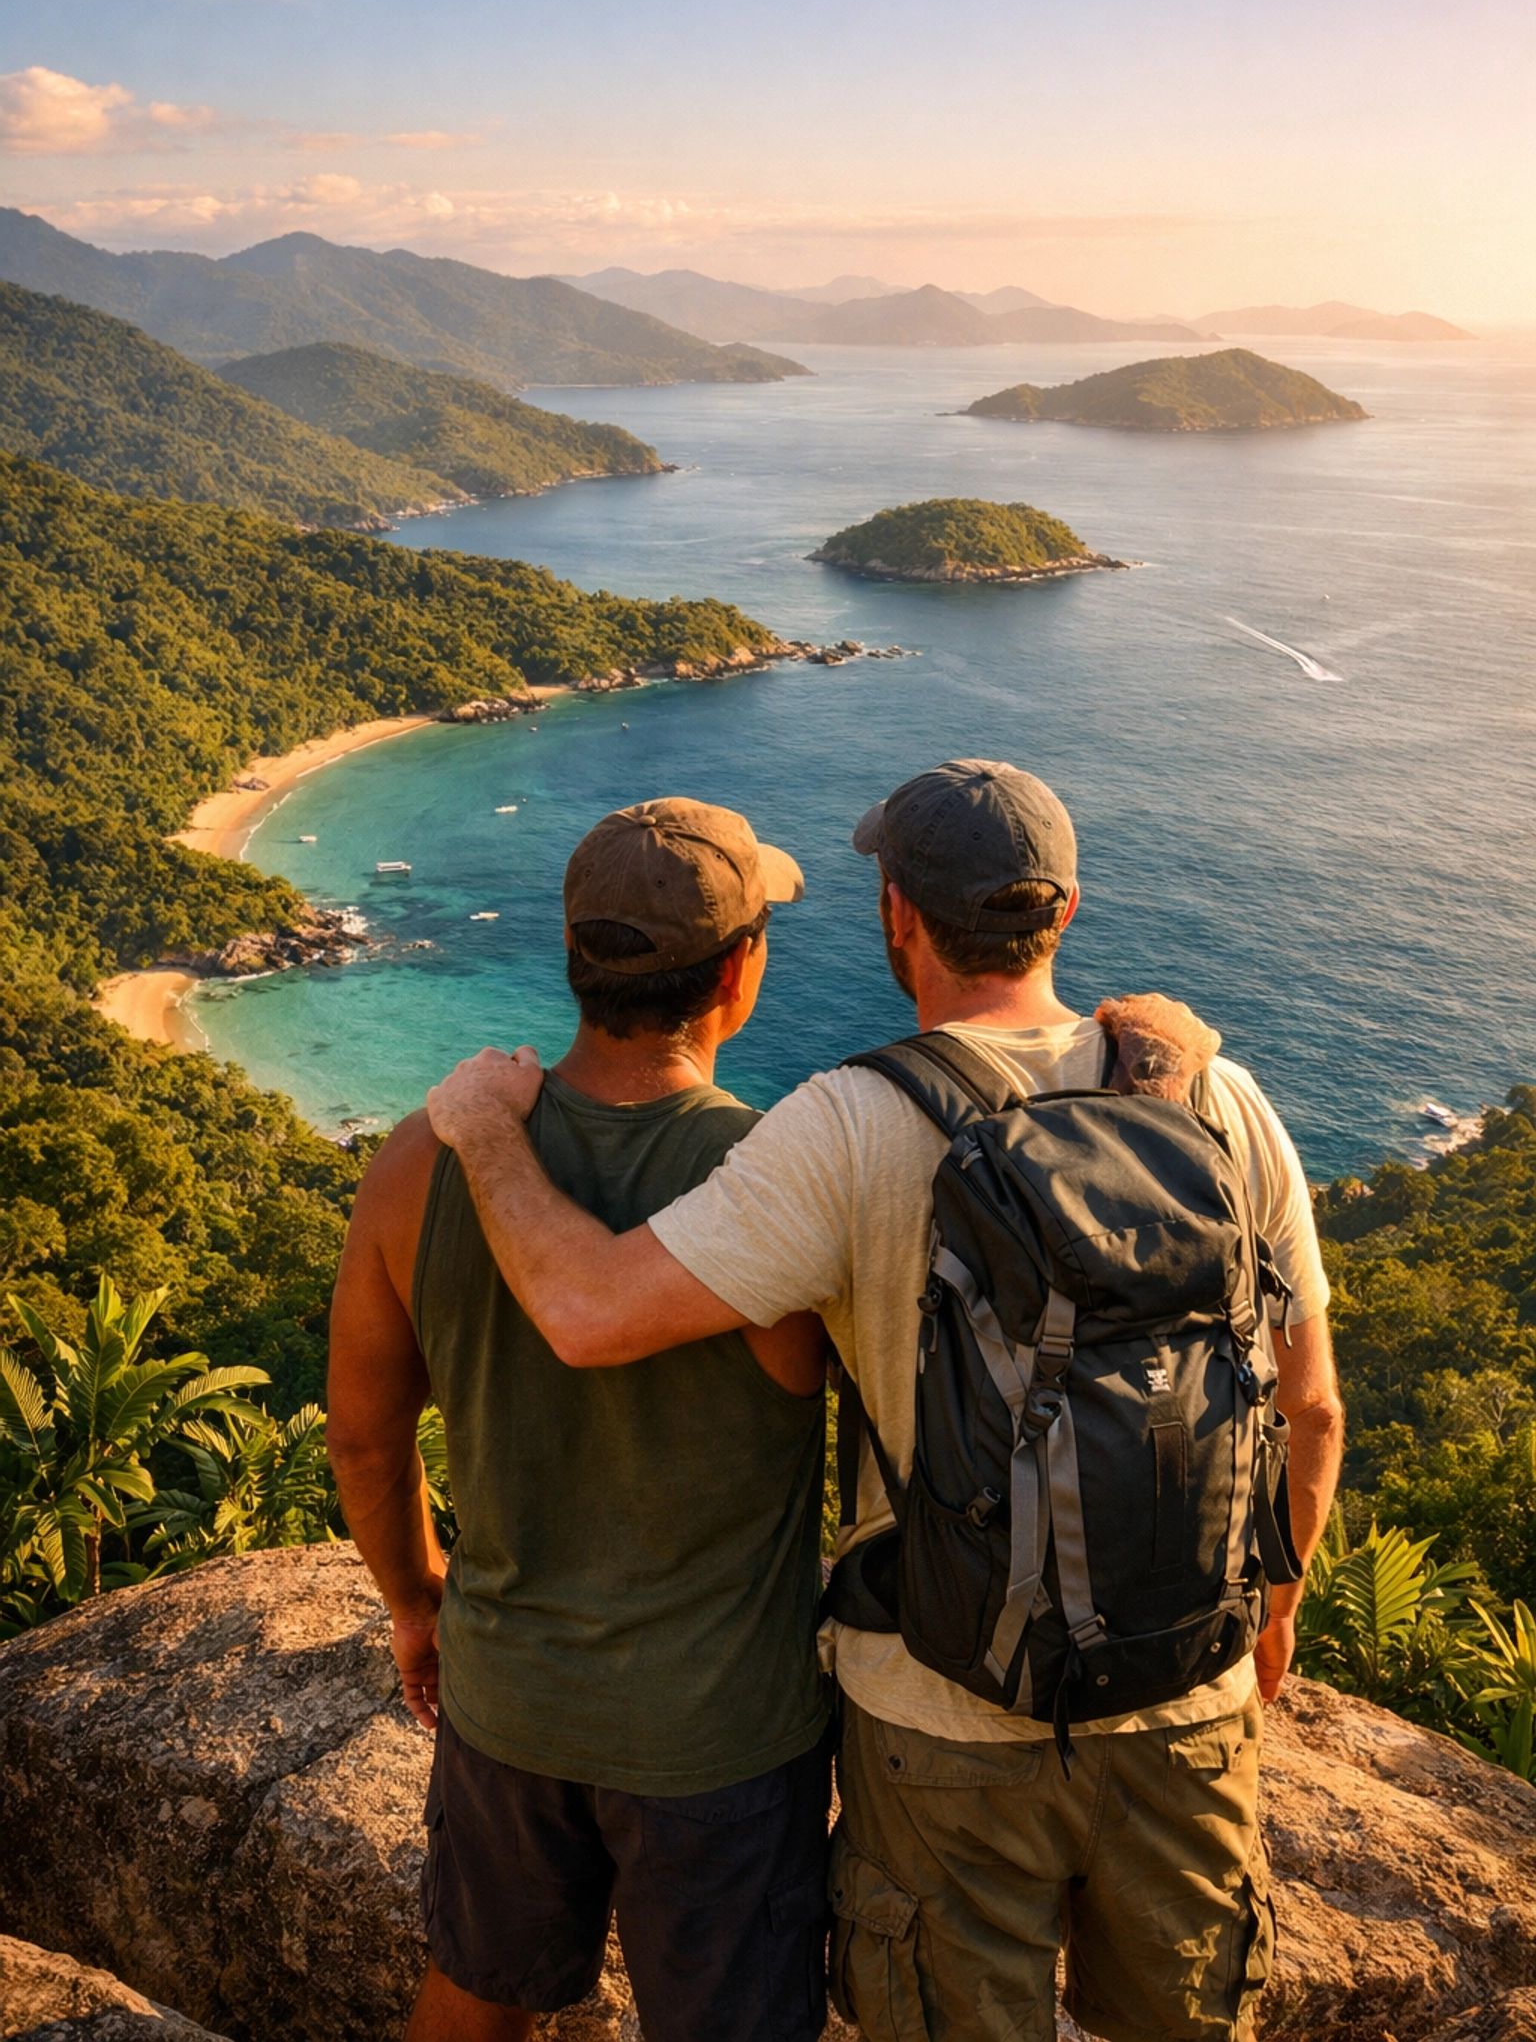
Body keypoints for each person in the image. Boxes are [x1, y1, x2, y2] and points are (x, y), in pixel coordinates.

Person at [426, 759, 1345, 2042]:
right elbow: (1309, 1409)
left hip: (939, 1707)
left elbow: (586, 1313)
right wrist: (1269, 1607)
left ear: (896, 917)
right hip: (1186, 1694)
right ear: (1064, 911)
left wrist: (481, 1133)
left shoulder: (846, 1124)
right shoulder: (1213, 1095)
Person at [326, 798, 832, 2042]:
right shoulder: (774, 1187)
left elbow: (363, 1435)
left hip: (508, 1698)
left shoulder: (426, 1155)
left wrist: (415, 1598)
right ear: (741, 967)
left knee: (474, 2003)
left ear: (575, 958)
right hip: (720, 1732)